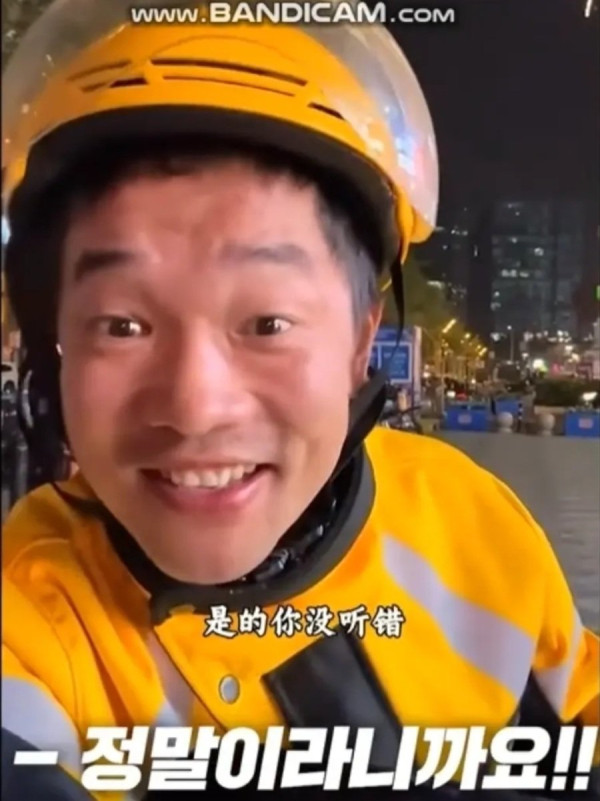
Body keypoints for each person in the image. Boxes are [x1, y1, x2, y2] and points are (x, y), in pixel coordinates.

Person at [1, 2, 598, 799]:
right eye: (123, 324)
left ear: (361, 341)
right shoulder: (31, 618)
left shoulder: (470, 525)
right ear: (55, 345)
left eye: (267, 323)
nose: (196, 407)